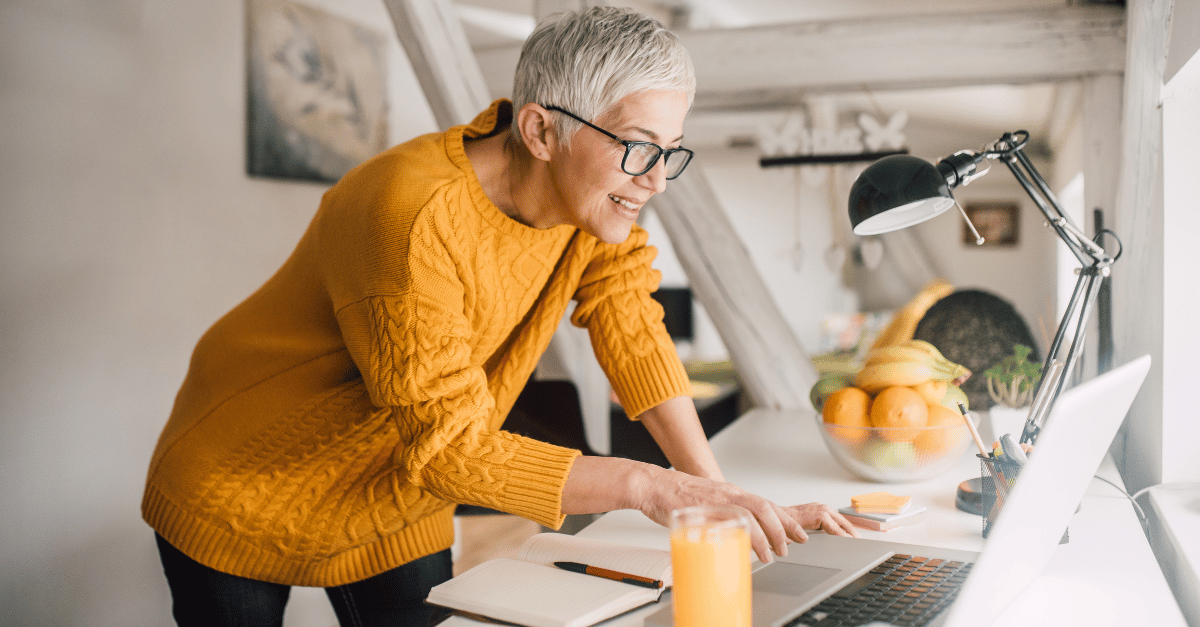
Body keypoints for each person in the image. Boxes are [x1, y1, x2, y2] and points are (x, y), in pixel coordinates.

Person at [143, 7, 857, 626]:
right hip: (249, 479)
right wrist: (650, 484)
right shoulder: (409, 215)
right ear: (542, 130)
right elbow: (453, 446)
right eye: (638, 146)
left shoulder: (590, 204)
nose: (657, 177)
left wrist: (716, 497)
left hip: (398, 487)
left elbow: (626, 317)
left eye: (670, 151)